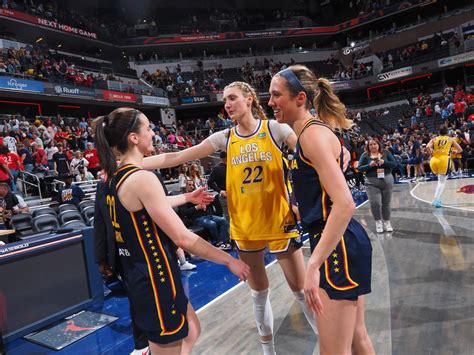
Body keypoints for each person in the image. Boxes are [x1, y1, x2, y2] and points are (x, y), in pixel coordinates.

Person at [142, 82, 318, 354]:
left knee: (301, 291)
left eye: (233, 98)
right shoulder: (224, 138)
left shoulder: (275, 129)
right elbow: (177, 156)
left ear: (249, 99)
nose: (227, 104)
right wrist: (133, 164)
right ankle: (268, 352)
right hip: (245, 228)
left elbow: (310, 151)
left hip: (279, 223)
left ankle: (329, 344)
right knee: (259, 295)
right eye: (224, 100)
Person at [93, 108, 249, 355]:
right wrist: (228, 260)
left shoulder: (113, 175)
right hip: (155, 279)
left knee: (193, 329)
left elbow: (148, 204)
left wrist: (187, 196)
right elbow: (182, 237)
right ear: (134, 138)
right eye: (147, 128)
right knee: (172, 344)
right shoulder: (141, 178)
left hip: (140, 275)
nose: (153, 132)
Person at [268, 65, 374, 355]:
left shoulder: (312, 136)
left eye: (276, 95)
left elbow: (345, 203)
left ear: (300, 98)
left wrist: (313, 265)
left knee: (333, 350)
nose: (270, 102)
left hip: (335, 247)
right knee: (357, 339)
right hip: (341, 241)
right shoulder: (315, 134)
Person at [357, 138, 398, 233]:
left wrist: (384, 162)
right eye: (370, 145)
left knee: (386, 203)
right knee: (375, 203)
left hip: (387, 180)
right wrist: (369, 165)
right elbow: (359, 168)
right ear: (368, 146)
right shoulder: (365, 155)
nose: (373, 146)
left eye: (374, 144)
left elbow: (394, 164)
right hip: (371, 183)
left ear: (378, 144)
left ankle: (387, 222)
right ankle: (378, 222)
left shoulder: (386, 153)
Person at [178, 179, 231, 250]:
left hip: (208, 216)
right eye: (189, 185)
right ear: (186, 186)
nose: (191, 186)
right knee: (212, 224)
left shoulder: (197, 194)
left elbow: (208, 204)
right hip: (196, 219)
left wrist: (207, 202)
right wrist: (196, 207)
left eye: (192, 185)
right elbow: (184, 213)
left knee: (224, 220)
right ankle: (218, 243)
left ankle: (223, 242)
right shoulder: (183, 197)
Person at [427, 125, 462, 208]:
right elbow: (460, 150)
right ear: (447, 132)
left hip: (434, 160)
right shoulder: (450, 139)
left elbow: (427, 147)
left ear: (439, 132)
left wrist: (431, 153)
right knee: (441, 182)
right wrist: (453, 152)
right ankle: (436, 199)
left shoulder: (434, 139)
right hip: (444, 160)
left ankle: (437, 199)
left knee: (440, 180)